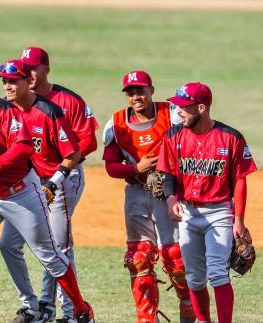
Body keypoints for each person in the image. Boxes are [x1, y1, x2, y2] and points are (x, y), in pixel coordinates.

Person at [0, 64, 94, 323]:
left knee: (49, 255)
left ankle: (81, 310)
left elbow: (25, 146)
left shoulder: (2, 110)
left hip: (21, 193)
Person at [0, 47, 99, 323]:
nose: (28, 73)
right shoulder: (11, 105)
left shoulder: (67, 101)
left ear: (46, 70)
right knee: (15, 243)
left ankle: (68, 312)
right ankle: (40, 306)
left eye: (33, 68)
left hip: (63, 179)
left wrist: (59, 170)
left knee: (58, 245)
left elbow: (87, 141)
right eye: (23, 69)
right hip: (28, 183)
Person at [157, 82, 257, 323]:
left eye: (183, 106)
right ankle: (203, 320)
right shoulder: (173, 135)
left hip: (219, 212)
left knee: (217, 273)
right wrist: (171, 199)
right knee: (194, 277)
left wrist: (239, 220)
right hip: (188, 214)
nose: (178, 111)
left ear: (201, 107)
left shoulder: (230, 137)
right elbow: (167, 173)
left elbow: (241, 179)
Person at [102, 71, 195, 323]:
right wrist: (135, 169)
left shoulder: (173, 113)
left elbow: (196, 141)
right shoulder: (117, 123)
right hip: (136, 193)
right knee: (139, 256)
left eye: (140, 91)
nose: (136, 97)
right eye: (130, 93)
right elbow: (110, 166)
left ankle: (188, 305)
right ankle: (146, 318)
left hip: (169, 195)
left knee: (175, 256)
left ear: (151, 90)